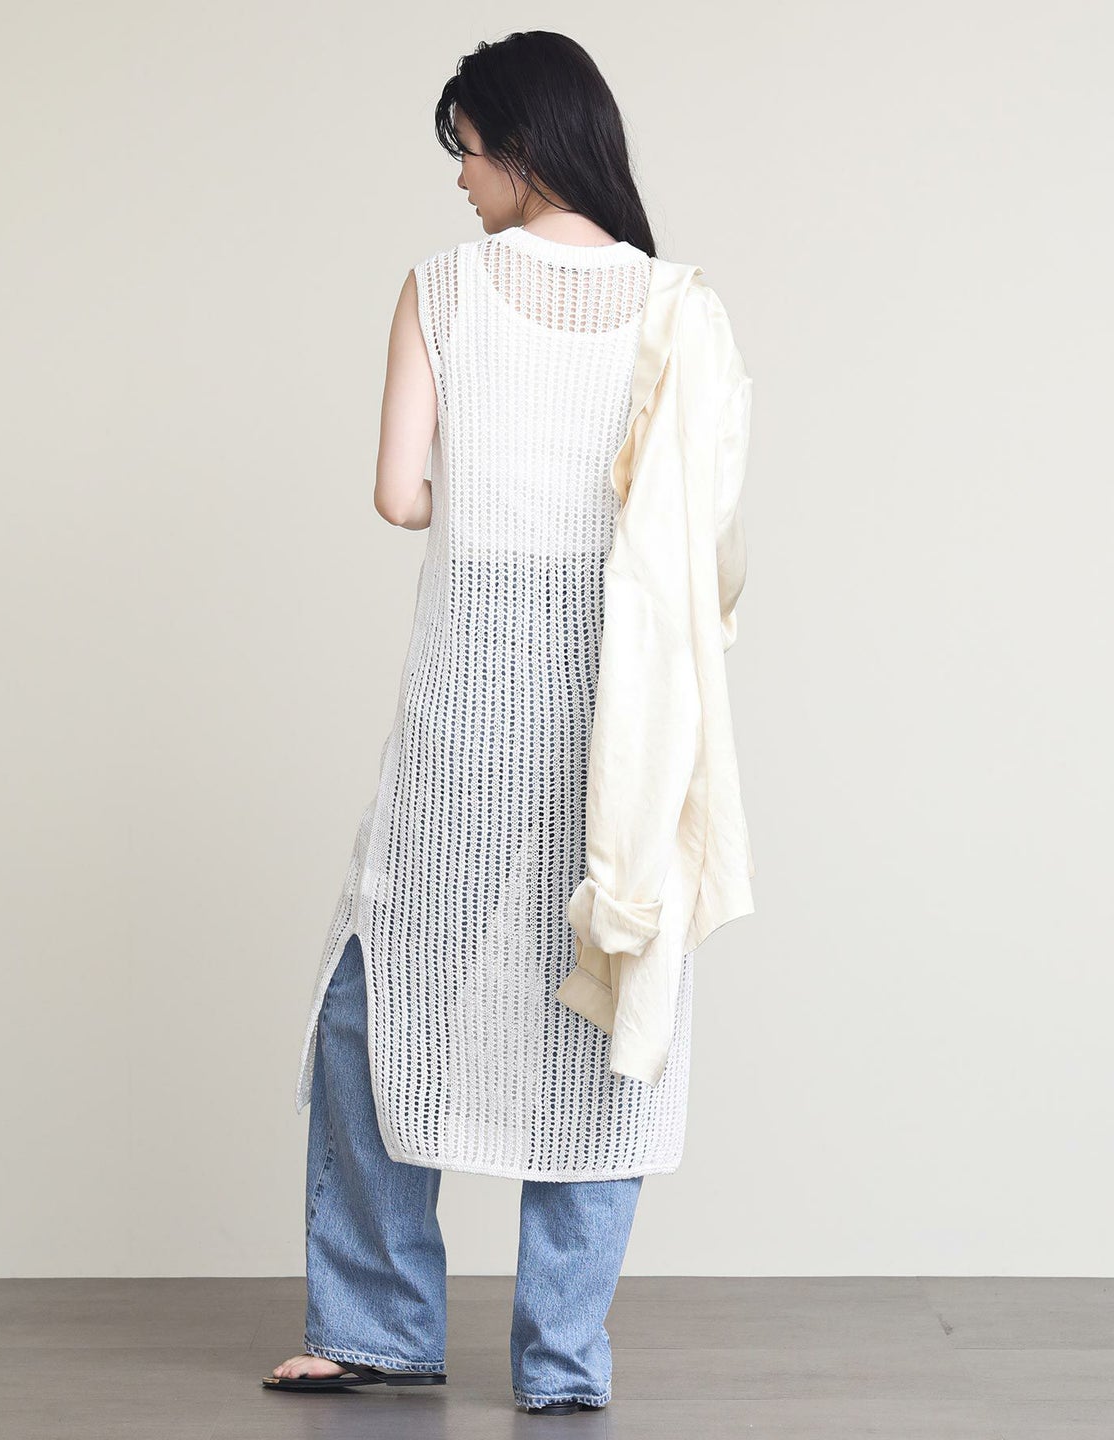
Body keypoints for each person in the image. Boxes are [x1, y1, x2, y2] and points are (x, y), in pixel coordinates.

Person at [265, 29, 751, 1415]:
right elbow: (708, 528)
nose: (461, 183)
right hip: (627, 710)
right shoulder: (681, 307)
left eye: (467, 153)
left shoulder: (441, 290)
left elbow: (398, 495)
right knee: (611, 1007)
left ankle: (378, 1327)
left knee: (379, 997)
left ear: (523, 148)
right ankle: (561, 1361)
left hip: (474, 698)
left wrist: (484, 492)